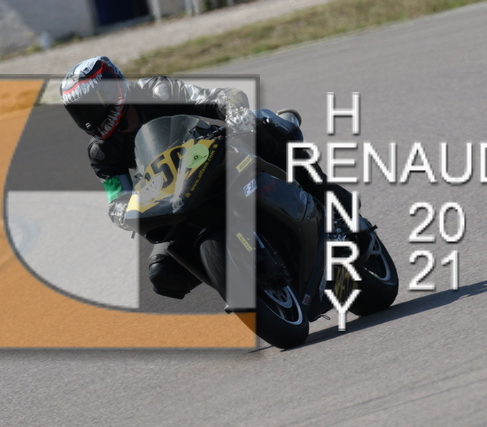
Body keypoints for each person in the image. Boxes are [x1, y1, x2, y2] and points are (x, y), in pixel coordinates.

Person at [60, 56, 354, 299]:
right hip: (173, 193)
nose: (89, 117)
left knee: (264, 124)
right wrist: (121, 210)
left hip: (213, 155)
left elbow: (215, 97)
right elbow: (117, 196)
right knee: (163, 273)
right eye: (80, 112)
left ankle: (328, 201)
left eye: (92, 104)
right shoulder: (101, 153)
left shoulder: (156, 91)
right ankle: (237, 279)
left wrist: (234, 111)